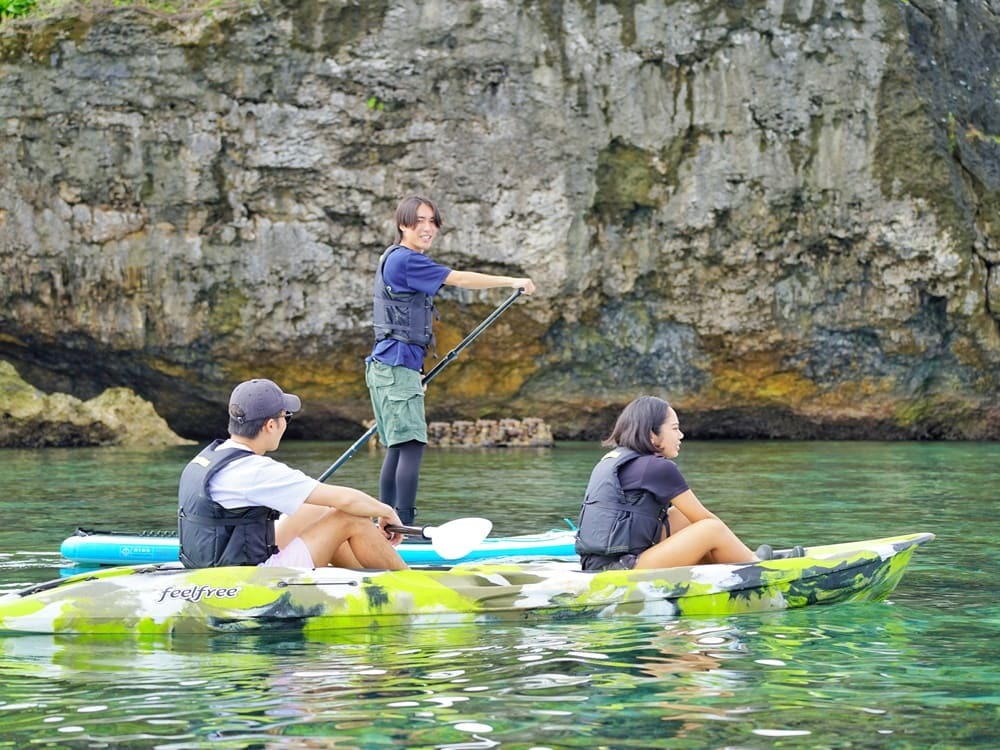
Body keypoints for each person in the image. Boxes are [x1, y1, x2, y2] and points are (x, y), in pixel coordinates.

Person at [365, 195, 536, 525]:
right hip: (395, 367)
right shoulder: (406, 261)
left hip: (387, 366)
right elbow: (459, 278)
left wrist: (414, 376)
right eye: (419, 221)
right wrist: (511, 281)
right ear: (403, 225)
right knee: (410, 445)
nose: (427, 228)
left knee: (397, 448)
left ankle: (383, 523)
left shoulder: (395, 258)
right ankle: (403, 526)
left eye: (432, 222)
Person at [178, 378, 406, 570]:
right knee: (351, 517)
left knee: (317, 507)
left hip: (212, 563)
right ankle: (408, 582)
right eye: (285, 417)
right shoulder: (255, 471)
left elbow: (327, 500)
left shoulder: (209, 456)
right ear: (270, 425)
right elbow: (346, 500)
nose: (285, 425)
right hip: (250, 579)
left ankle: (358, 575)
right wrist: (387, 512)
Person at [575, 395, 803, 571]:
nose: (681, 435)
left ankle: (729, 560)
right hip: (620, 568)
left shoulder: (615, 459)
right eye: (674, 429)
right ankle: (755, 565)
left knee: (682, 516)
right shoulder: (657, 467)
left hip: (596, 563)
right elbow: (705, 520)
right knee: (710, 528)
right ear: (652, 435)